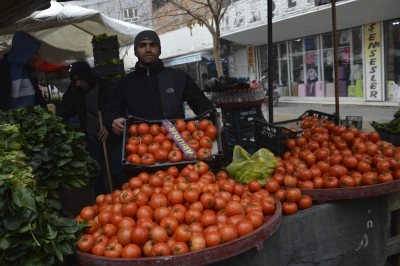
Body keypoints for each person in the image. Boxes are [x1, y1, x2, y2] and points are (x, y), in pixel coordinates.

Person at [105, 30, 216, 138]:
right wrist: (114, 121)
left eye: (153, 45)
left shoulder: (178, 77)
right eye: (142, 45)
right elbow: (112, 112)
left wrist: (211, 115)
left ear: (159, 50)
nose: (148, 49)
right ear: (135, 51)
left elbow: (201, 103)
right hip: (139, 146)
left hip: (178, 144)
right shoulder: (123, 83)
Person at [59, 61, 123, 196]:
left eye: (79, 80)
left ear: (86, 76)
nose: (77, 83)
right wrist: (57, 119)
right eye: (74, 81)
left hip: (110, 136)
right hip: (93, 137)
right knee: (97, 171)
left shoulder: (107, 87)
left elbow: (117, 110)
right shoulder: (78, 91)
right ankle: (102, 199)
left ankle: (120, 196)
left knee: (115, 170)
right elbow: (69, 109)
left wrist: (109, 126)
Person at [0, 31, 46, 111]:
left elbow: (37, 93)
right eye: (34, 52)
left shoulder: (29, 69)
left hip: (33, 118)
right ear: (24, 50)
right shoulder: (3, 69)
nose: (36, 57)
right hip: (10, 120)